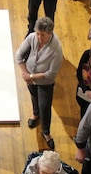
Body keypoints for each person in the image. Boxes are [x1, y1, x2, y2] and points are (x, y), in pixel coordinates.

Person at [16, 17, 63, 149]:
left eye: (42, 35)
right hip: (29, 77)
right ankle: (35, 114)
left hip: (45, 82)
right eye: (37, 33)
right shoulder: (32, 37)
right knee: (33, 96)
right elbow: (19, 55)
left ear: (50, 33)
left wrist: (31, 76)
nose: (38, 37)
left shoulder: (56, 49)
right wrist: (25, 74)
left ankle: (46, 132)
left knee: (45, 106)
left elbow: (51, 74)